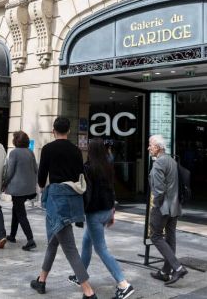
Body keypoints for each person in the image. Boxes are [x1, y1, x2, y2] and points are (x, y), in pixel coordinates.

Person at [30, 117, 97, 299]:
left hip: (56, 199)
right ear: (68, 131)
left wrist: (41, 187)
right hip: (73, 198)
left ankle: (88, 291)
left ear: (54, 130)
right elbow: (79, 174)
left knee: (68, 246)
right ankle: (41, 280)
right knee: (54, 240)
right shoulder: (76, 150)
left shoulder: (48, 149)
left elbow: (42, 176)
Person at [68, 138, 134, 299]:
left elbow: (86, 193)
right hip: (106, 210)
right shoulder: (107, 166)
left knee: (101, 248)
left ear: (90, 151)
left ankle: (123, 284)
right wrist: (112, 211)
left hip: (95, 213)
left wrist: (80, 212)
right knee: (86, 241)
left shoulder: (88, 168)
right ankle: (80, 275)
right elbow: (111, 190)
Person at [148, 134, 188, 285]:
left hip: (162, 207)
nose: (149, 148)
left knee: (155, 236)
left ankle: (177, 268)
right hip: (175, 206)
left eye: (150, 145)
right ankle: (165, 272)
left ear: (157, 147)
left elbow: (158, 190)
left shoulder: (159, 163)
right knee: (170, 237)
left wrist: (155, 205)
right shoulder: (171, 160)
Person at [3, 131, 37, 251]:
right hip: (29, 188)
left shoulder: (14, 153)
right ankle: (12, 235)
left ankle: (30, 239)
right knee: (16, 210)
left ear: (16, 141)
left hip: (18, 189)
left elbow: (10, 171)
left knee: (21, 213)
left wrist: (4, 183)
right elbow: (36, 169)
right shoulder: (30, 152)